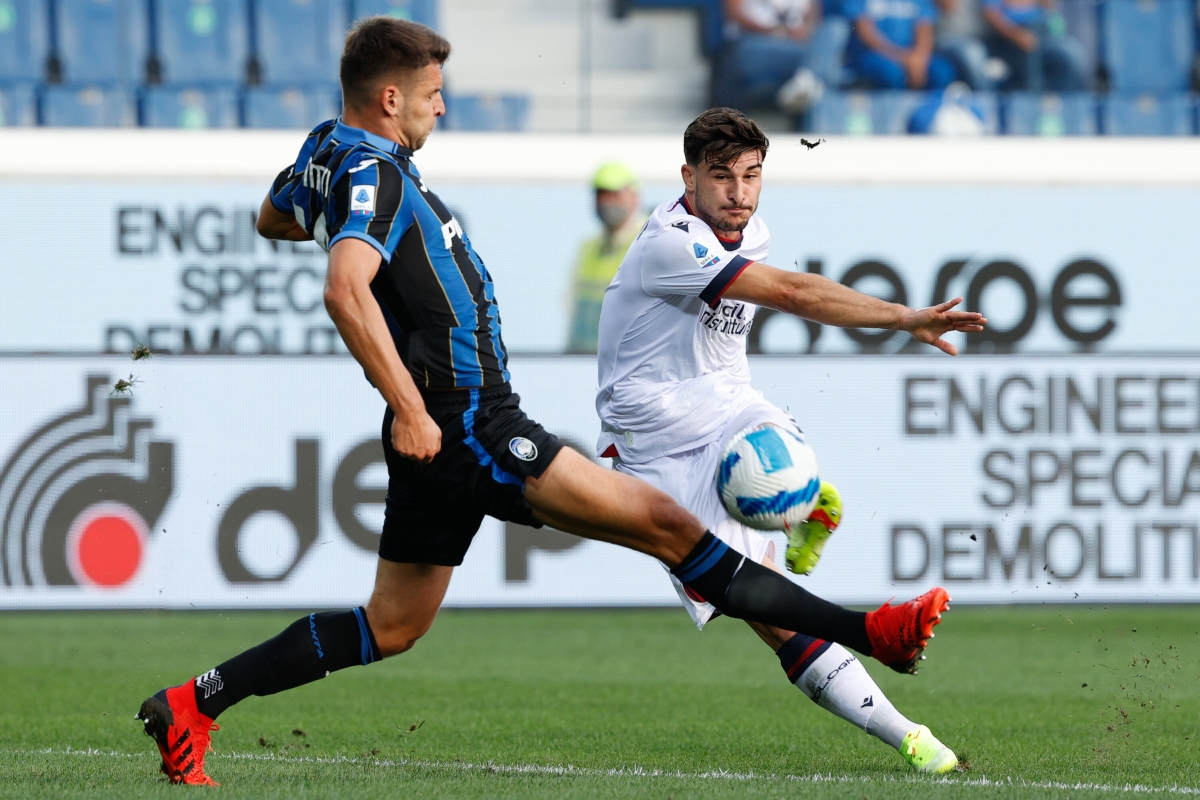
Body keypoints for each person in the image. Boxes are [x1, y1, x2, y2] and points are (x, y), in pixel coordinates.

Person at [133, 19, 968, 786]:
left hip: (439, 430)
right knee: (673, 529)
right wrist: (412, 405)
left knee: (392, 625)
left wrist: (333, 226)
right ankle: (871, 633)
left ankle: (193, 702)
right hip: (467, 421)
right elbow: (345, 292)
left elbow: (273, 216)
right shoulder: (372, 175)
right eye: (429, 95)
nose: (441, 106)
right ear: (390, 101)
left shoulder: (329, 151)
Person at [595, 107, 987, 773]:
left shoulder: (753, 230)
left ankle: (801, 503)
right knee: (760, 605)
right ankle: (903, 725)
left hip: (727, 404)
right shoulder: (669, 242)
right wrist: (900, 316)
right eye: (722, 177)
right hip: (654, 433)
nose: (740, 193)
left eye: (752, 176)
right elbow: (791, 293)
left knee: (771, 472)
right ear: (687, 177)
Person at [565, 163, 644, 354]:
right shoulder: (587, 248)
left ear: (634, 197)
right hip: (586, 360)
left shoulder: (647, 243)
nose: (606, 202)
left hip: (631, 364)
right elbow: (575, 311)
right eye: (601, 195)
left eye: (614, 195)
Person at [720, 0, 849, 114]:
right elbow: (734, 13)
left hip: (796, 49)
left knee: (836, 26)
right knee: (828, 68)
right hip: (753, 44)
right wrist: (779, 32)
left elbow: (813, 24)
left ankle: (805, 82)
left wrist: (803, 33)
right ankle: (808, 81)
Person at [843, 0, 957, 90]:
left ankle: (929, 115)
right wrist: (902, 58)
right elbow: (865, 33)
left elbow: (924, 28)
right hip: (873, 54)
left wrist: (919, 59)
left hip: (910, 56)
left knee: (942, 72)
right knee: (892, 74)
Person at [982, 0, 1086, 91]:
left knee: (1069, 56)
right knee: (1031, 63)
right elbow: (990, 13)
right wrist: (1017, 35)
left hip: (1041, 31)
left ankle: (1061, 105)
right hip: (1008, 37)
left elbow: (1049, 10)